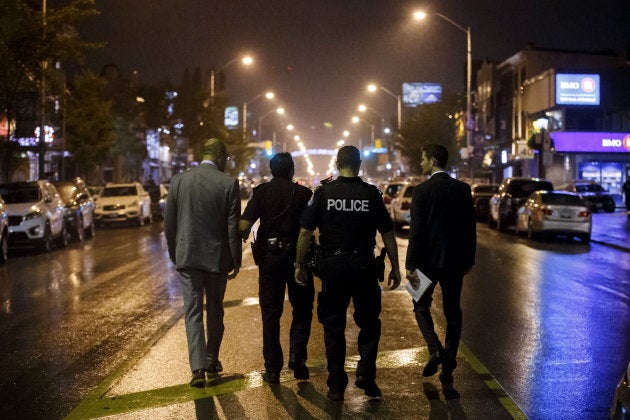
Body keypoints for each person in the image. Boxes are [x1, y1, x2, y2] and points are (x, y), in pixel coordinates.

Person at [294, 145, 401, 402]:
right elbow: (387, 233)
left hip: (333, 268)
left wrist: (299, 264)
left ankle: (336, 385)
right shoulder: (371, 195)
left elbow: (305, 232)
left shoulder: (323, 193)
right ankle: (366, 375)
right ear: (360, 164)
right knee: (369, 324)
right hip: (364, 266)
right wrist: (396, 267)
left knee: (333, 327)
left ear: (337, 164)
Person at [164, 138, 242, 388]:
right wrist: (236, 260)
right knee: (215, 310)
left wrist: (175, 253)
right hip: (217, 258)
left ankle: (197, 368)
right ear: (218, 156)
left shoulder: (178, 181)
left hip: (187, 256)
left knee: (193, 312)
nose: (226, 163)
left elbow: (169, 225)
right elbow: (232, 228)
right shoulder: (228, 183)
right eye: (225, 159)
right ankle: (211, 359)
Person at [405, 144, 476, 390]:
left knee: (418, 305)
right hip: (455, 261)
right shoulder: (462, 189)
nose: (420, 163)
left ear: (434, 161)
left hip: (423, 262)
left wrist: (409, 265)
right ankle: (448, 365)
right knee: (452, 312)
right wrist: (469, 260)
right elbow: (470, 229)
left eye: (423, 159)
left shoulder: (421, 191)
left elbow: (416, 232)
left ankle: (434, 349)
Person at [239, 153, 315, 384]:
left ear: (272, 170)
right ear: (292, 170)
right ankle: (297, 358)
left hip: (270, 259)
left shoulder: (261, 192)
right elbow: (312, 227)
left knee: (271, 313)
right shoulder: (304, 193)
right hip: (297, 258)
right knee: (302, 308)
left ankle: (272, 368)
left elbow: (244, 226)